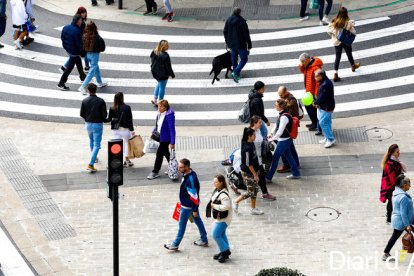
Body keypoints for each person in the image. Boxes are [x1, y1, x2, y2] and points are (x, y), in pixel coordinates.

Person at [164, 158, 208, 250]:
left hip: (188, 207)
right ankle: (204, 239)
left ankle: (175, 244)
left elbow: (194, 196)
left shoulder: (190, 179)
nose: (178, 169)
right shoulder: (189, 174)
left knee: (182, 225)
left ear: (187, 167)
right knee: (197, 221)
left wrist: (195, 209)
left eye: (181, 167)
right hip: (189, 204)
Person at [266, 99, 301, 181]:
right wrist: (271, 133)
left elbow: (280, 131)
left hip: (283, 140)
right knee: (289, 156)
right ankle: (296, 173)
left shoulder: (284, 117)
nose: (275, 106)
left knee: (275, 159)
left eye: (276, 105)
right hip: (285, 139)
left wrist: (272, 139)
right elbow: (276, 125)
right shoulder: (282, 114)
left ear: (281, 106)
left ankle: (268, 177)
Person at [232, 128, 264, 215]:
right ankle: (236, 202)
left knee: (255, 189)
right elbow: (248, 164)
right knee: (251, 191)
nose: (255, 136)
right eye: (254, 135)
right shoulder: (247, 148)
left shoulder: (251, 143)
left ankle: (253, 208)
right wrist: (255, 175)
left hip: (254, 171)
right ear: (249, 136)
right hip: (248, 173)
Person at [383, 174, 413, 261]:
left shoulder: (395, 193)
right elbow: (403, 213)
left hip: (398, 220)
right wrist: (407, 225)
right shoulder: (403, 197)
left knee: (395, 237)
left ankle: (389, 252)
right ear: (404, 185)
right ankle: (386, 253)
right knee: (394, 237)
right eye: (409, 184)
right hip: (402, 221)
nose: (410, 186)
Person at [327, 7, 360, 82]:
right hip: (345, 41)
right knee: (349, 54)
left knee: (338, 57)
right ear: (346, 14)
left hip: (337, 41)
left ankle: (335, 73)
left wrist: (334, 35)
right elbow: (354, 32)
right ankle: (353, 66)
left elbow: (328, 30)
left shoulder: (334, 21)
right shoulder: (348, 23)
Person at [80, 83, 107, 172]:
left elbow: (82, 114)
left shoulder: (84, 101)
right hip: (98, 124)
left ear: (88, 90)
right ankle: (91, 164)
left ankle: (94, 157)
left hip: (88, 124)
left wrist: (87, 118)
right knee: (97, 144)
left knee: (91, 141)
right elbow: (104, 115)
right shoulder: (101, 101)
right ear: (96, 90)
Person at [147, 100, 176, 180]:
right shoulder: (159, 114)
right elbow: (157, 125)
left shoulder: (169, 115)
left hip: (165, 139)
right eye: (158, 106)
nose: (159, 108)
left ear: (165, 107)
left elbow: (172, 129)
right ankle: (173, 167)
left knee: (159, 154)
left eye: (161, 106)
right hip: (160, 136)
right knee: (166, 153)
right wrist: (153, 133)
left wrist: (172, 142)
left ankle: (155, 172)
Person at [250, 116, 276, 201]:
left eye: (261, 122)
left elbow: (260, 141)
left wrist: (267, 141)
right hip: (255, 159)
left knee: (259, 176)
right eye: (259, 122)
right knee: (258, 175)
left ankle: (264, 193)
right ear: (254, 123)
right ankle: (264, 193)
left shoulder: (258, 130)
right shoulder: (250, 133)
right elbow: (248, 147)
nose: (261, 124)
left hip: (260, 157)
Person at [57, 14, 86, 91]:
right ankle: (61, 83)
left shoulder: (66, 27)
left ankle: (82, 77)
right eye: (81, 20)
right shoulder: (78, 31)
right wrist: (83, 53)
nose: (82, 22)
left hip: (68, 49)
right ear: (78, 21)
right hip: (74, 51)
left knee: (78, 61)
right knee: (70, 67)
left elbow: (62, 38)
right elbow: (79, 44)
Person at [276, 86, 301, 173]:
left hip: (288, 129)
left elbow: (288, 117)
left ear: (286, 92)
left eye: (282, 95)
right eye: (279, 95)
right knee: (290, 147)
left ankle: (287, 165)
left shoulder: (291, 101)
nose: (280, 97)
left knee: (285, 148)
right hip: (288, 129)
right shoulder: (287, 99)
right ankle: (295, 163)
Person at [106, 92, 135, 167]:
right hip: (125, 129)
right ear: (122, 98)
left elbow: (109, 119)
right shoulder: (127, 107)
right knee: (126, 144)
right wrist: (132, 130)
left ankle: (116, 161)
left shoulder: (112, 108)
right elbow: (129, 120)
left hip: (115, 130)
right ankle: (127, 160)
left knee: (116, 145)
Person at [223, 7, 252, 83]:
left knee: (234, 59)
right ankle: (235, 72)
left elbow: (225, 31)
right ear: (239, 13)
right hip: (241, 44)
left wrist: (227, 41)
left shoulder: (229, 20)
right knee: (244, 59)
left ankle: (236, 74)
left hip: (231, 44)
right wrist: (249, 45)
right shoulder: (242, 22)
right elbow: (246, 34)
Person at [78, 21, 107, 95]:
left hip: (88, 54)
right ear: (95, 28)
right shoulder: (97, 36)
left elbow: (82, 46)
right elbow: (102, 47)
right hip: (95, 55)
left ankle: (99, 82)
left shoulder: (84, 36)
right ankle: (83, 86)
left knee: (95, 67)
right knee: (91, 71)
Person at [380, 144, 407, 224]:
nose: (399, 153)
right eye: (397, 152)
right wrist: (400, 183)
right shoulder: (390, 164)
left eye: (399, 151)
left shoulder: (395, 161)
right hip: (390, 187)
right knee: (392, 202)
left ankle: (391, 216)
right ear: (392, 153)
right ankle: (389, 218)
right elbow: (392, 179)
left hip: (394, 185)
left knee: (393, 202)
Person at [210, 174, 232, 263]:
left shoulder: (224, 195)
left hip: (224, 218)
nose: (214, 183)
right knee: (222, 234)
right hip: (220, 218)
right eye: (214, 181)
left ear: (221, 183)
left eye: (216, 182)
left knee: (215, 234)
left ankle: (225, 251)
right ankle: (224, 251)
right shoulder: (217, 190)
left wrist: (214, 206)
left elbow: (226, 207)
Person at [298, 53, 323, 132]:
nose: (302, 63)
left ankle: (316, 124)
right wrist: (302, 65)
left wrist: (316, 94)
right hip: (309, 92)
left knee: (312, 108)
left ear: (307, 60)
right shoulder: (307, 65)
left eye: (303, 61)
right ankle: (314, 122)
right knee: (310, 108)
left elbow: (318, 83)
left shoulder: (315, 68)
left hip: (313, 93)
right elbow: (302, 70)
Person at [61, 7, 89, 73]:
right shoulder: (79, 24)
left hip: (73, 44)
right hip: (78, 42)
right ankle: (86, 68)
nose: (84, 14)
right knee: (79, 55)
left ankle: (64, 67)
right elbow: (78, 39)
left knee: (74, 57)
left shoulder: (76, 20)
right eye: (82, 12)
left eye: (85, 12)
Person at [313, 69, 335, 148]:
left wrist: (315, 103)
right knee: (327, 123)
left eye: (316, 76)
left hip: (327, 106)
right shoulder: (324, 82)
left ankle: (330, 139)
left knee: (323, 123)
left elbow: (322, 97)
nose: (315, 78)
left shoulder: (325, 84)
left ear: (321, 76)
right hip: (325, 106)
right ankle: (327, 137)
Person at [150, 40, 175, 106]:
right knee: (162, 88)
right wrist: (172, 75)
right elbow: (168, 67)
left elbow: (151, 57)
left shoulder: (154, 51)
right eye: (167, 45)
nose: (168, 46)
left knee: (159, 84)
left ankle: (155, 99)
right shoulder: (165, 55)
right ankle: (160, 102)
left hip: (155, 72)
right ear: (163, 47)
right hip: (162, 74)